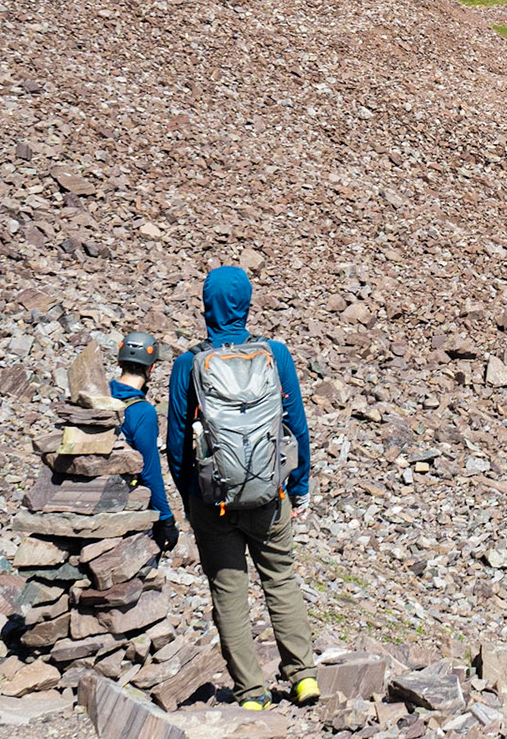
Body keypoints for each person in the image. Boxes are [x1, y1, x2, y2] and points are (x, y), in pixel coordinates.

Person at [164, 266, 319, 710]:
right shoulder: (275, 355)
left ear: (206, 306)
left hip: (212, 501)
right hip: (270, 496)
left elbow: (176, 443)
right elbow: (296, 427)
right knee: (281, 579)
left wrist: (191, 496)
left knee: (228, 589)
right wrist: (300, 484)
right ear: (247, 304)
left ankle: (252, 692)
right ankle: (304, 677)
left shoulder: (187, 364)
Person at [110, 331, 178, 552]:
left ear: (119, 361)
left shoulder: (99, 395)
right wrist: (165, 518)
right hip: (121, 503)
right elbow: (149, 471)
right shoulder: (142, 411)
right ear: (151, 368)